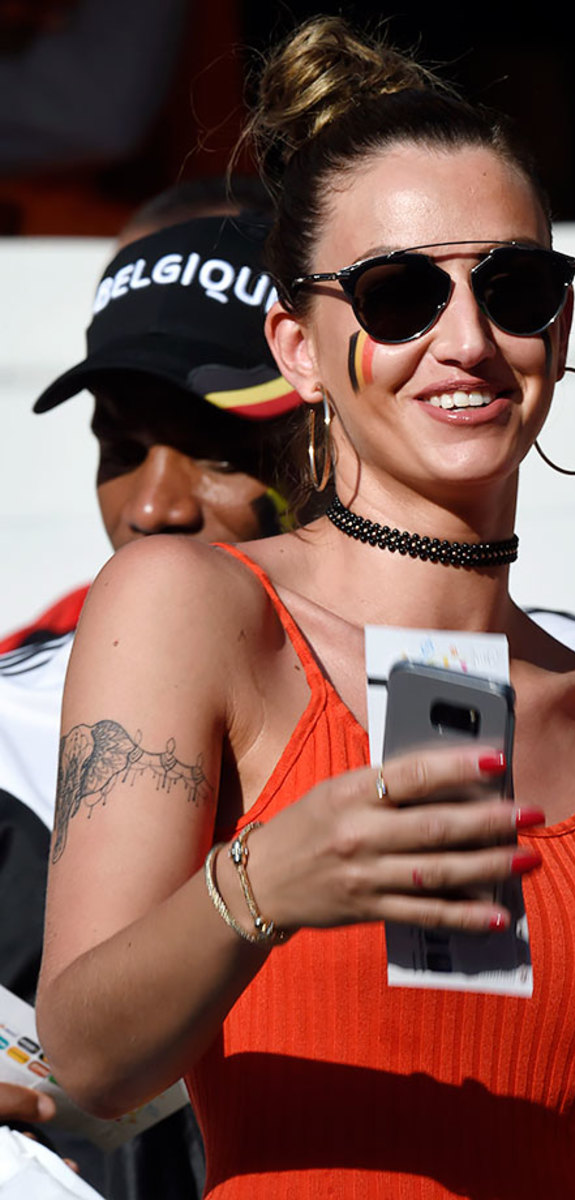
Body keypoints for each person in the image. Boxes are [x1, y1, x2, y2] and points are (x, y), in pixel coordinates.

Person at [35, 17, 575, 1198]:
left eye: (514, 288)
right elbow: (91, 1058)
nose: (465, 340)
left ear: (559, 328)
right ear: (298, 350)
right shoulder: (193, 609)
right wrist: (265, 883)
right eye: (398, 295)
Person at [0, 209, 304, 1199]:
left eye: (215, 449)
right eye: (120, 445)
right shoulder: (7, 734)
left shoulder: (508, 693)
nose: (152, 506)